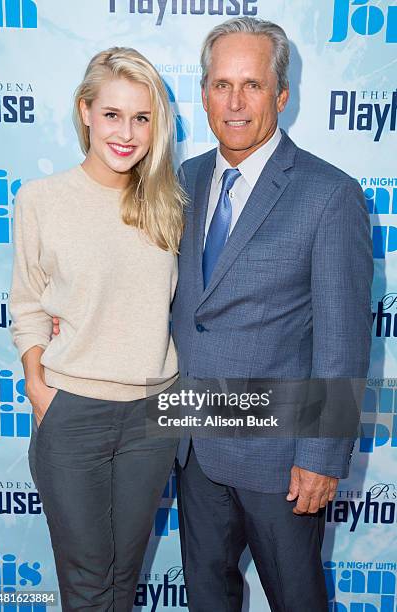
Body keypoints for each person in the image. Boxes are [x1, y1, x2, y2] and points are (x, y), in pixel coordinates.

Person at [170, 17, 373, 612]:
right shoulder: (187, 179)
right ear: (204, 93)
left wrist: (320, 456)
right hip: (194, 445)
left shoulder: (329, 194)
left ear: (282, 95)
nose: (234, 102)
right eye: (221, 84)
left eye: (253, 85)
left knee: (297, 600)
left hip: (281, 459)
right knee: (208, 599)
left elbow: (342, 340)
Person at [9, 47, 184, 611]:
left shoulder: (170, 202)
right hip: (73, 412)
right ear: (85, 111)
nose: (127, 133)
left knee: (122, 580)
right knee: (87, 586)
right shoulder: (41, 199)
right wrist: (38, 384)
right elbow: (28, 302)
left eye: (141, 117)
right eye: (112, 114)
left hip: (151, 417)